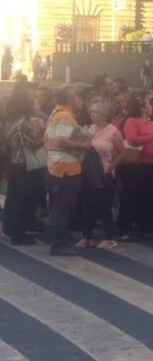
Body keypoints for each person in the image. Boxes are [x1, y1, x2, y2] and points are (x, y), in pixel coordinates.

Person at [45, 86, 89, 256]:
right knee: (64, 207)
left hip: (57, 167)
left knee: (59, 207)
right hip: (66, 169)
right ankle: (59, 243)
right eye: (77, 96)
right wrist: (83, 145)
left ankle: (58, 237)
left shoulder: (56, 114)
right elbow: (62, 142)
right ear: (70, 99)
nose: (80, 100)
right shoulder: (64, 116)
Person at [78, 100, 123, 248]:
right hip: (88, 172)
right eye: (91, 112)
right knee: (86, 205)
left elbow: (121, 152)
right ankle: (86, 236)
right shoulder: (90, 129)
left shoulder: (113, 131)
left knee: (104, 205)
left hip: (104, 172)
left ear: (104, 115)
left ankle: (108, 237)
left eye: (95, 112)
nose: (92, 115)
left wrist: (111, 166)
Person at [3, 89, 46, 245]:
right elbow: (33, 143)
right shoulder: (24, 123)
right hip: (26, 164)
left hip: (15, 163)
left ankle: (10, 227)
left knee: (14, 197)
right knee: (23, 198)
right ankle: (18, 234)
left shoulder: (10, 121)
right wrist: (45, 139)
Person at [119, 91, 153, 240]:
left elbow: (152, 142)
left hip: (150, 163)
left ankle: (145, 224)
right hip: (135, 165)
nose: (152, 106)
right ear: (142, 107)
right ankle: (123, 227)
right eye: (149, 103)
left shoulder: (150, 122)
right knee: (130, 196)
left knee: (148, 196)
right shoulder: (131, 121)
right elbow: (132, 139)